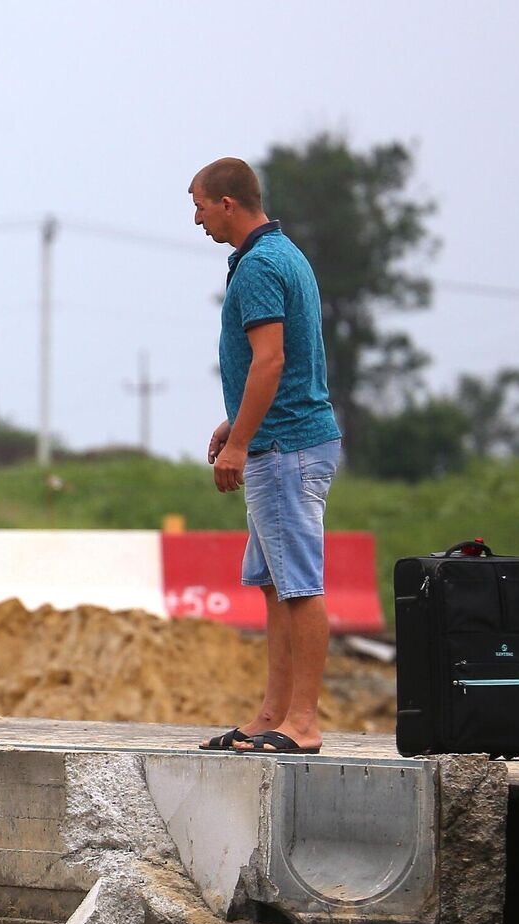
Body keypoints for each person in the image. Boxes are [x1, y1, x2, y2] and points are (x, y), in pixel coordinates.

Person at [189, 157, 343, 755]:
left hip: (285, 447)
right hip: (288, 435)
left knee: (299, 585)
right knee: (277, 585)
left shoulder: (258, 267)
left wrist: (242, 442)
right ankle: (272, 715)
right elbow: (289, 360)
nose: (197, 218)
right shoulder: (284, 255)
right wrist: (236, 419)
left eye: (200, 205)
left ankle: (301, 723)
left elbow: (271, 360)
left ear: (228, 202)